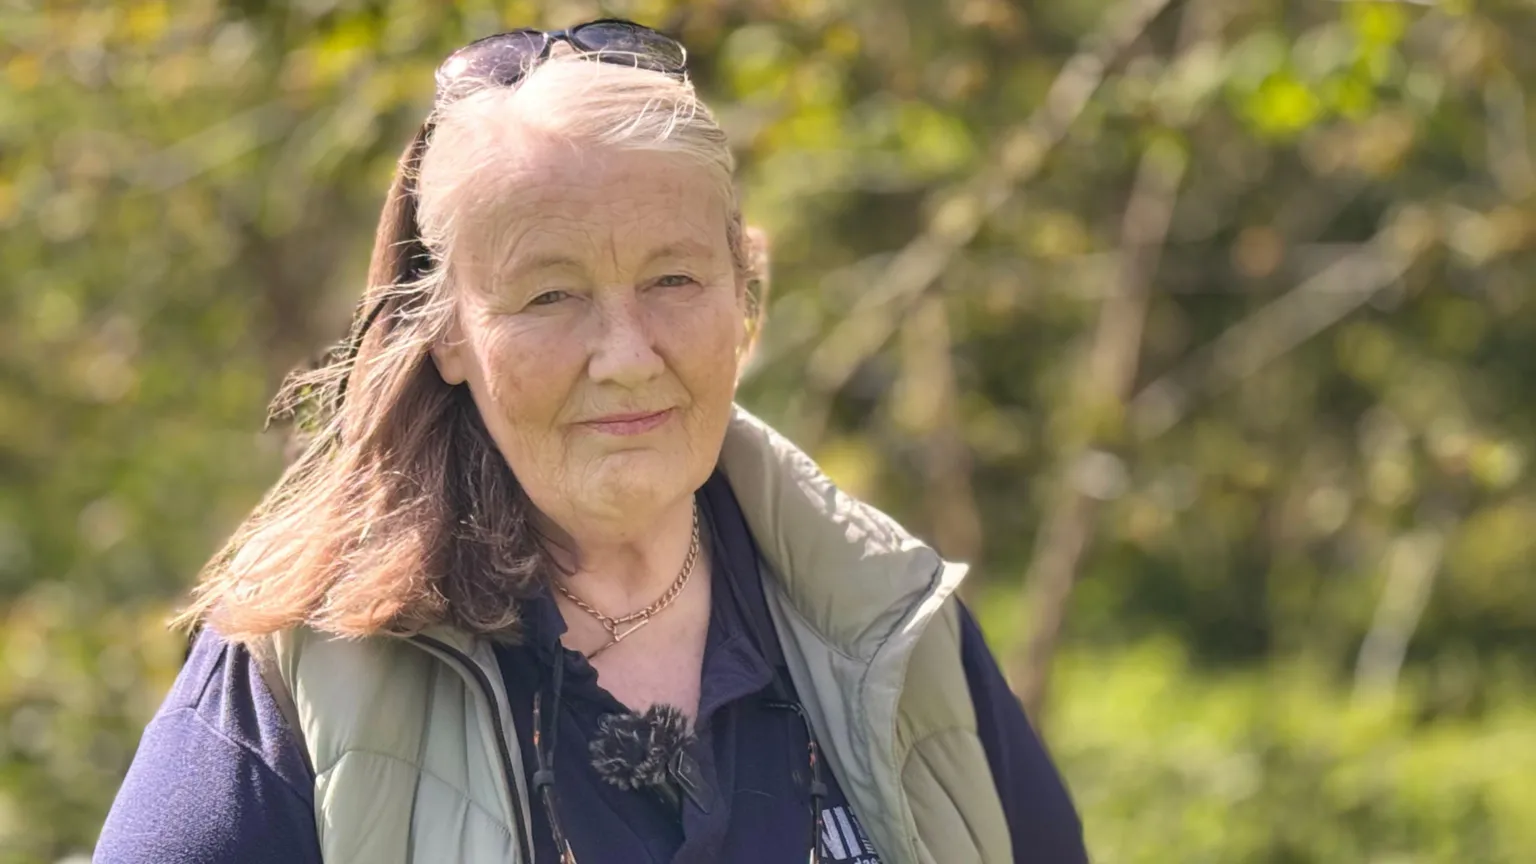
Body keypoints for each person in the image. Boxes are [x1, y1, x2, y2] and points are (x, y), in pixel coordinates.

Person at [96, 19, 1087, 864]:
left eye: (673, 281)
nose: (625, 356)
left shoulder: (889, 615)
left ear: (744, 292)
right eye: (550, 295)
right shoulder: (306, 671)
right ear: (445, 332)